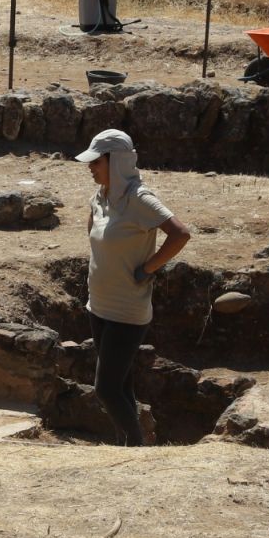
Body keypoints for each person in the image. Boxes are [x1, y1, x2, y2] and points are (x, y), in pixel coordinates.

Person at [77, 129, 191, 446]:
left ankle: (136, 449)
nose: (91, 168)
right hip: (97, 306)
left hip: (127, 311)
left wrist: (149, 267)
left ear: (116, 162)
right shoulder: (99, 197)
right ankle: (126, 445)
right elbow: (95, 239)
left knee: (106, 389)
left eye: (96, 162)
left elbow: (180, 234)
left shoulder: (140, 198)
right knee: (121, 387)